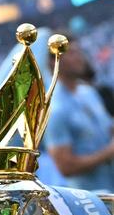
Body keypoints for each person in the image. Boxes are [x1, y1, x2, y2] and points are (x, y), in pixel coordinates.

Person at [45, 35, 114, 192]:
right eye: (72, 53)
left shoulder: (87, 91)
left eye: (79, 51)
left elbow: (107, 129)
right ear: (53, 61)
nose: (79, 57)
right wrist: (108, 153)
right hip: (92, 202)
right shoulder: (55, 107)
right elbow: (65, 166)